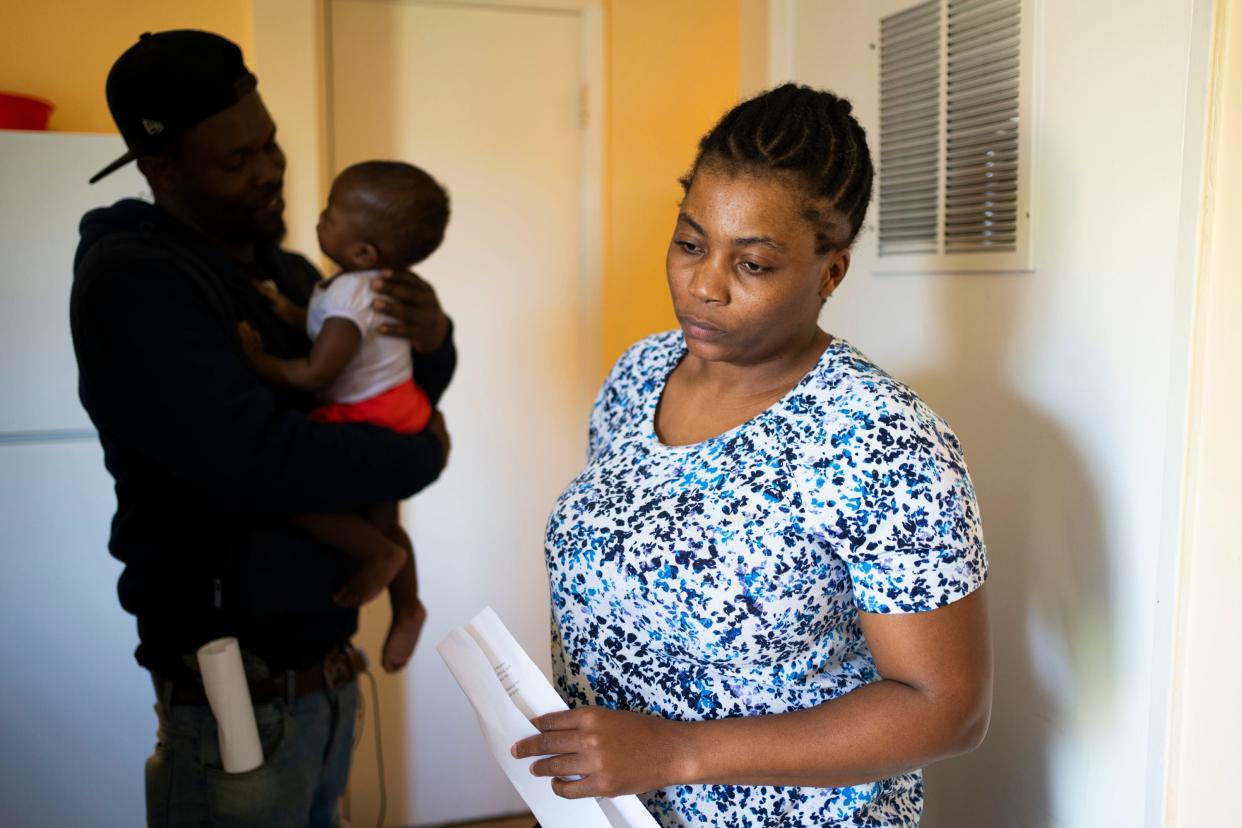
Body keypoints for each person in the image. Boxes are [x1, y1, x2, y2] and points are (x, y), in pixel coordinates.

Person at [514, 84, 992, 826]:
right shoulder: (639, 373)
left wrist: (676, 752)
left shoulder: (883, 439)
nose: (703, 286)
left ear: (829, 273)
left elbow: (946, 709)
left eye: (754, 265)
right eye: (690, 243)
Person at [69, 30, 453, 827]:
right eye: (237, 160)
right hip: (234, 699)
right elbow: (255, 460)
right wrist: (417, 455)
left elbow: (374, 387)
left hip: (325, 677)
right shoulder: (138, 283)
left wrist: (433, 337)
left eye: (270, 143)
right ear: (163, 167)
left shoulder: (288, 275)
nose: (270, 169)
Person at [238, 160, 452, 674]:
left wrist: (258, 360)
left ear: (361, 251)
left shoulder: (348, 293)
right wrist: (286, 312)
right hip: (400, 406)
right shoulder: (365, 286)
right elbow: (321, 324)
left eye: (330, 213)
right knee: (383, 516)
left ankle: (381, 558)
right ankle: (407, 605)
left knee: (299, 499)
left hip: (367, 412)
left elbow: (316, 371)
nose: (319, 217)